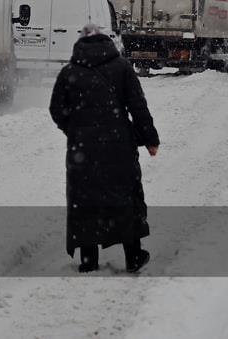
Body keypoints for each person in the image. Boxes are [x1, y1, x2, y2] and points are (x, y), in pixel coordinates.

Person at [49, 23, 160, 273]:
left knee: (85, 200)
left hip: (83, 150)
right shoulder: (122, 68)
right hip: (118, 145)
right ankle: (133, 255)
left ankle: (89, 260)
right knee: (124, 197)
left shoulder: (69, 72)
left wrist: (75, 128)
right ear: (106, 42)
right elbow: (138, 106)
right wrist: (150, 139)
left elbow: (56, 110)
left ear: (80, 44)